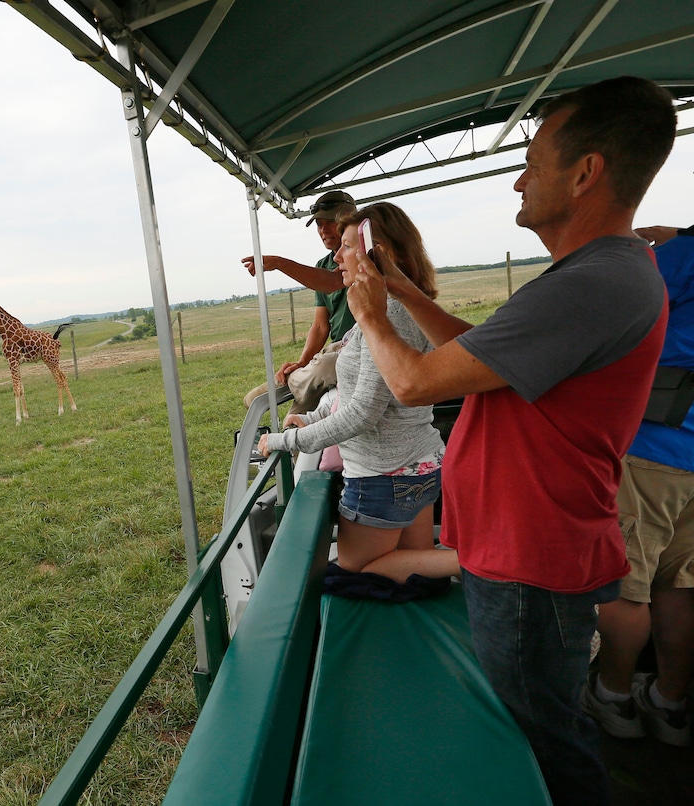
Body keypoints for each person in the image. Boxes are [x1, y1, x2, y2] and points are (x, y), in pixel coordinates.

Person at [343, 76, 675, 806]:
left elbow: (417, 383)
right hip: (522, 546)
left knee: (537, 737)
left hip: (532, 556)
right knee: (539, 724)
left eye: (532, 160)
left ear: (586, 172)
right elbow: (478, 363)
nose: (519, 181)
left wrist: (367, 313)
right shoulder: (600, 275)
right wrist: (402, 292)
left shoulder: (594, 282)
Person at [256, 203, 459, 585]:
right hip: (419, 465)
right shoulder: (391, 308)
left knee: (351, 576)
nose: (336, 256)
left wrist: (286, 440)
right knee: (414, 571)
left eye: (348, 246)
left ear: (380, 253)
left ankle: (482, 562)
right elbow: (357, 391)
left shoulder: (390, 314)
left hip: (383, 475)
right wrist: (313, 417)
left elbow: (363, 413)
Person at [582, 222, 694, 748]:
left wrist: (657, 248)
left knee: (625, 583)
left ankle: (614, 695)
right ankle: (670, 702)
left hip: (654, 448)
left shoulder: (683, 256)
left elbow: (620, 311)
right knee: (680, 584)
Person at [241, 190, 356, 410]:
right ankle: (288, 435)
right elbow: (321, 325)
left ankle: (292, 384)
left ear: (348, 221)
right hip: (335, 348)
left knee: (319, 370)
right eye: (319, 225)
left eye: (329, 223)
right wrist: (303, 361)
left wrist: (279, 263)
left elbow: (332, 282)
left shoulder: (365, 253)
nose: (323, 231)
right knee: (288, 408)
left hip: (356, 348)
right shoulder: (323, 264)